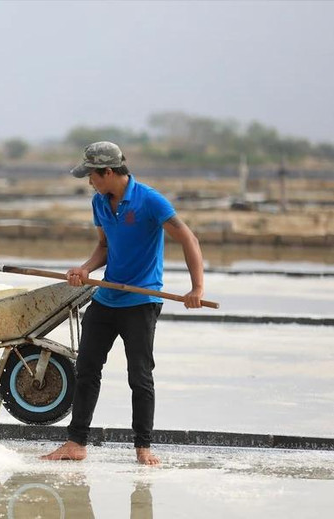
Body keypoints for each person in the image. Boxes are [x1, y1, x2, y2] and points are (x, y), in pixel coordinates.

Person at [41, 141, 205, 465]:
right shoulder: (99, 203)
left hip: (140, 301)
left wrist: (196, 287)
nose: (90, 182)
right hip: (107, 299)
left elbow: (188, 238)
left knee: (139, 376)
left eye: (92, 175)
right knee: (86, 369)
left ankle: (143, 447)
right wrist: (86, 269)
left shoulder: (150, 201)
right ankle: (76, 443)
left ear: (109, 171)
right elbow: (104, 246)